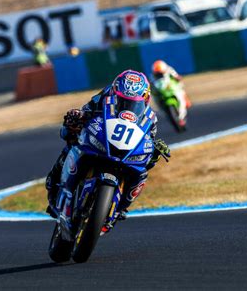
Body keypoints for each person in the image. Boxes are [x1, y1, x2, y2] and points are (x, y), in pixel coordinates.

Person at [45, 70, 170, 229]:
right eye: (124, 100)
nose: (128, 106)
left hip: (124, 150)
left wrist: (155, 149)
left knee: (142, 172)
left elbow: (147, 139)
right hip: (100, 137)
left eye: (134, 102)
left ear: (145, 98)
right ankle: (55, 181)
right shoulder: (104, 96)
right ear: (115, 90)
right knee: (71, 140)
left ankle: (121, 207)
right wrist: (78, 116)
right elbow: (86, 110)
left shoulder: (150, 117)